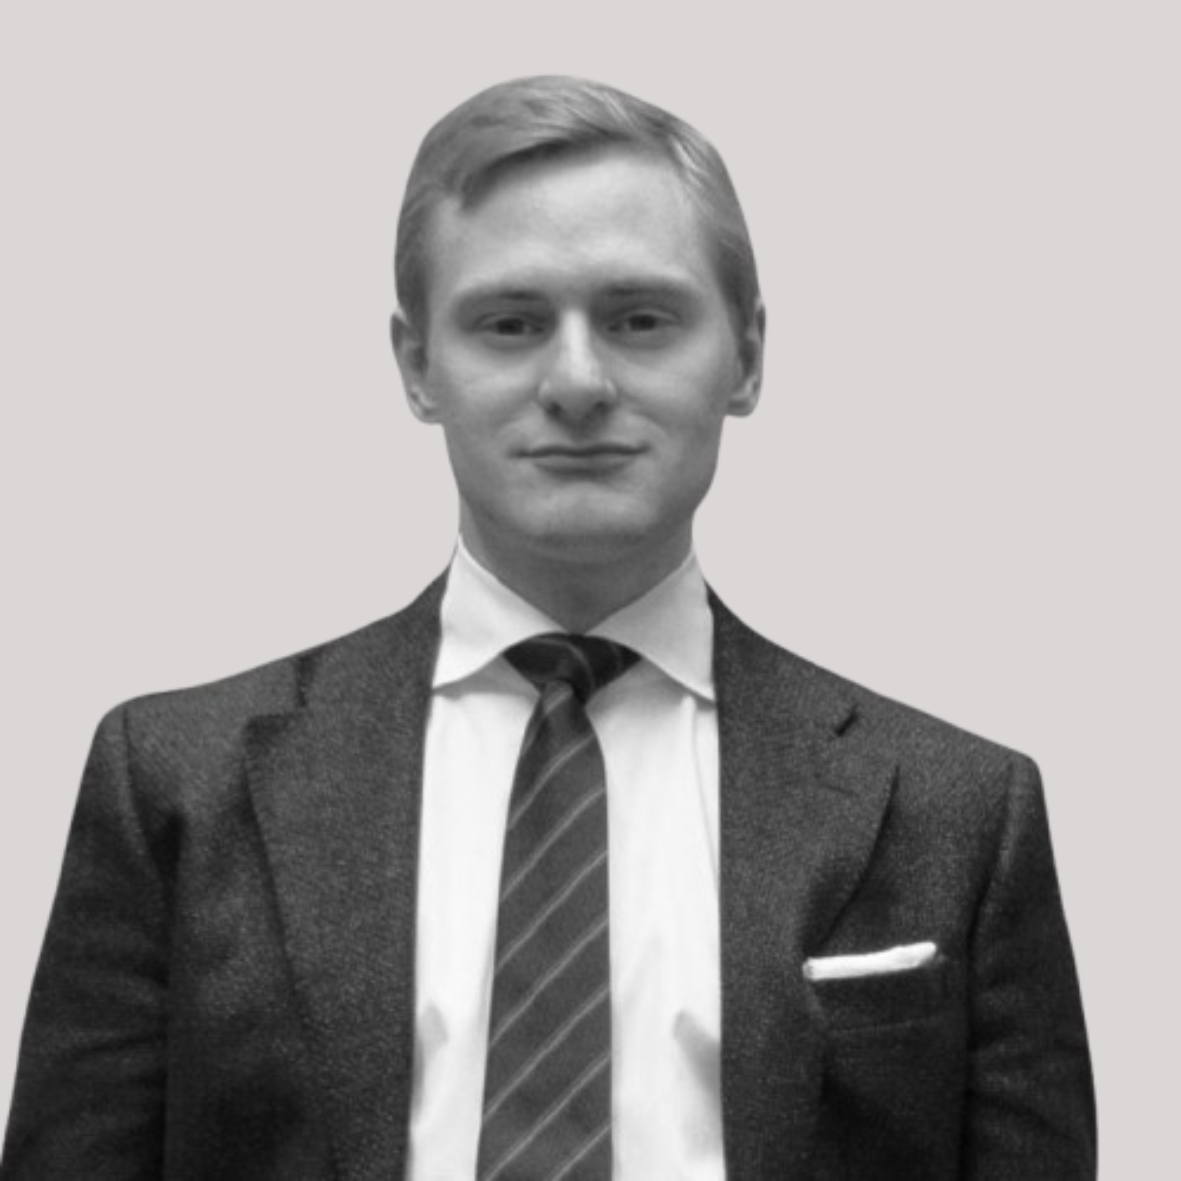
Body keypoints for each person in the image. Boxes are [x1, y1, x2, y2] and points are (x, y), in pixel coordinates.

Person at [0, 75, 1094, 1179]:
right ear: (418, 366)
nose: (577, 381)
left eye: (640, 319)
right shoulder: (179, 784)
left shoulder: (957, 810)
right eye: (511, 324)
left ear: (748, 356)